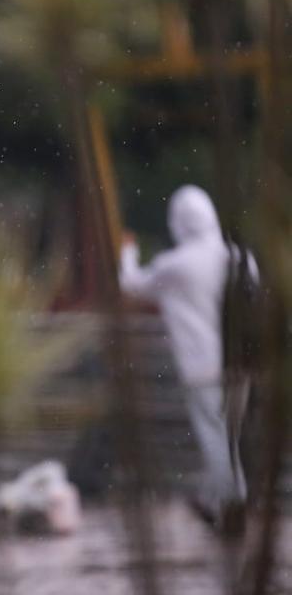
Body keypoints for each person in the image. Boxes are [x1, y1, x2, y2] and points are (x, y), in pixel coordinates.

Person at [119, 184, 251, 529]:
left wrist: (127, 252)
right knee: (229, 438)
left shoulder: (176, 266)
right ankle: (217, 499)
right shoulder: (238, 258)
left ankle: (232, 501)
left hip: (203, 368)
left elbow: (131, 284)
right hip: (243, 364)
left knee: (214, 437)